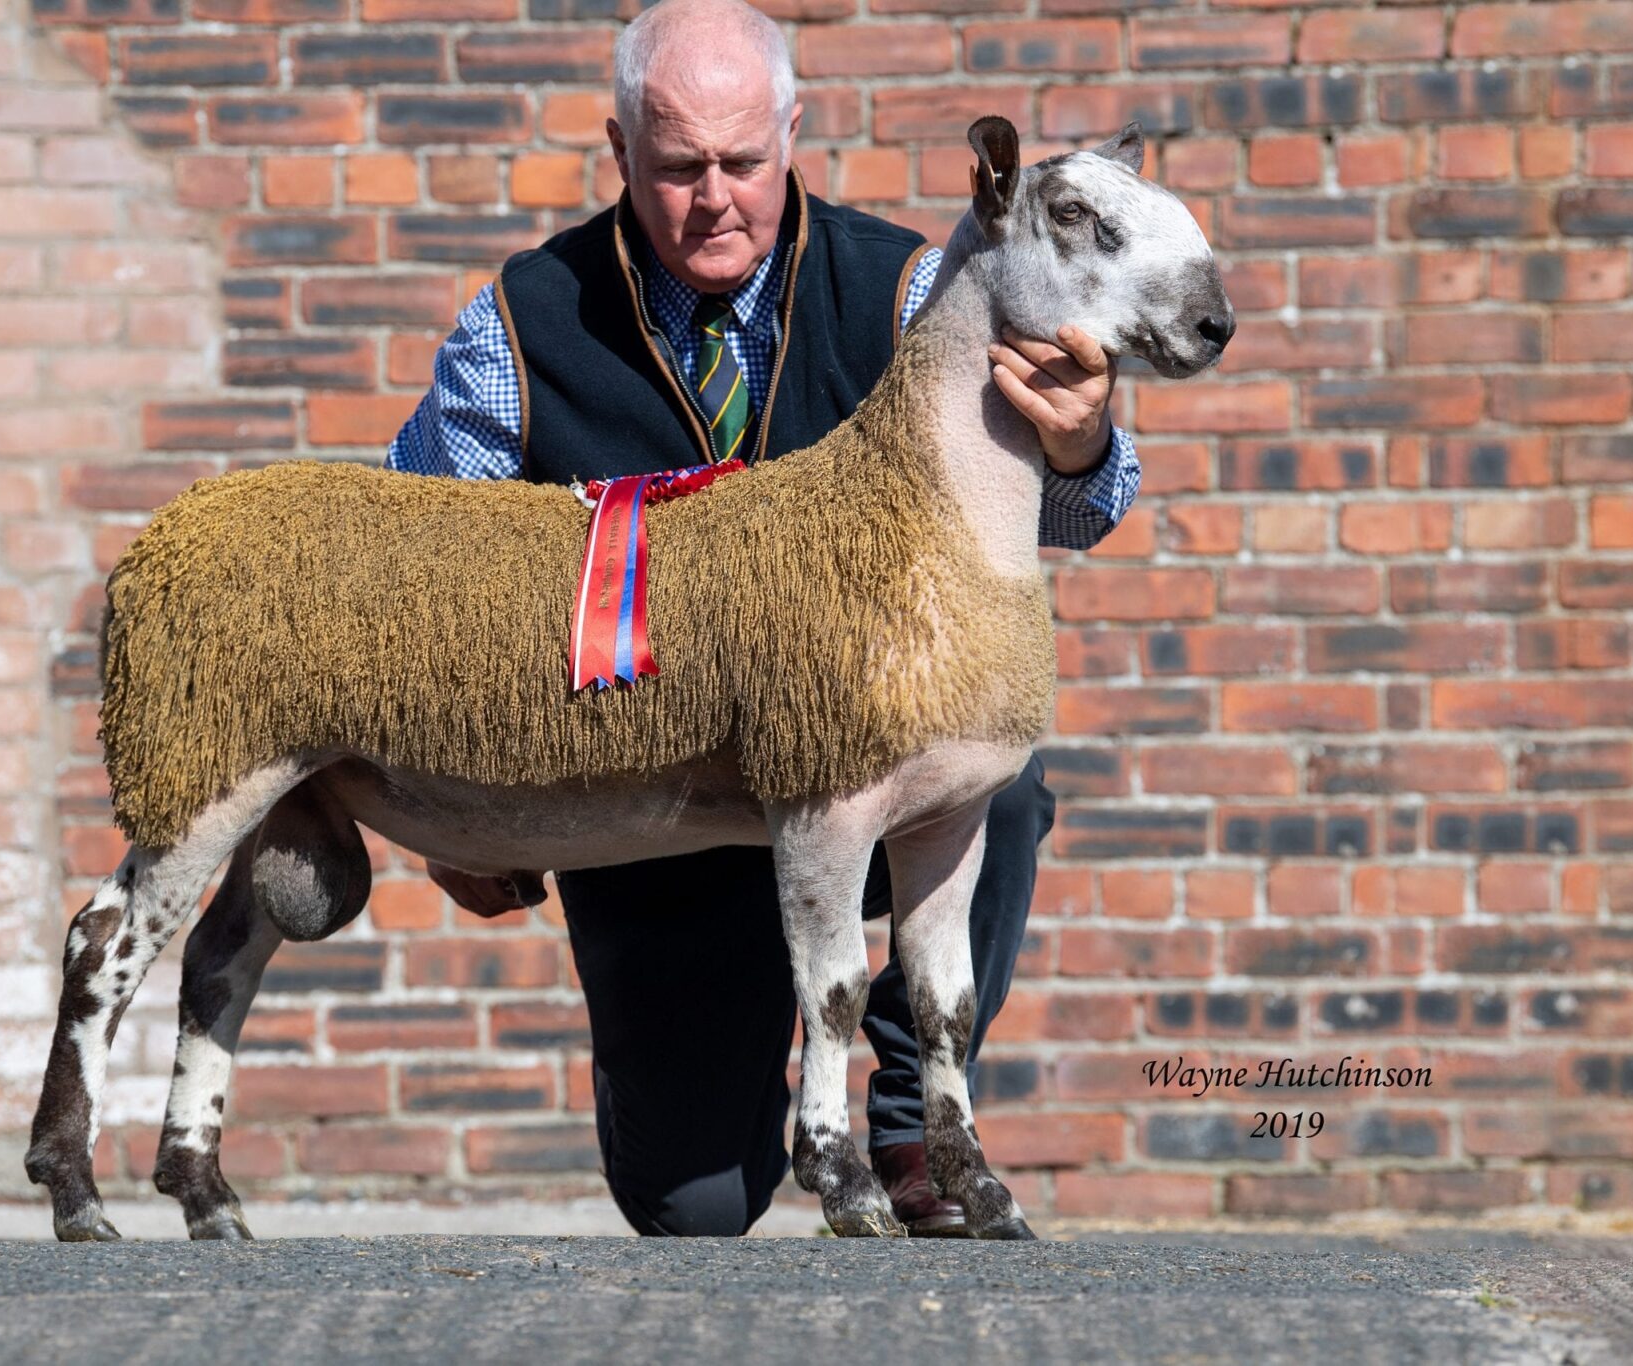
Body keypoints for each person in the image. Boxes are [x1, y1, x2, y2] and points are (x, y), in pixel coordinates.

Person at [386, 0, 1141, 1237]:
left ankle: (906, 1119)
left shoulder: (910, 290)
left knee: (1000, 782)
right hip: (655, 807)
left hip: (870, 773)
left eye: (743, 160)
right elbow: (424, 566)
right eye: (678, 166)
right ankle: (710, 1101)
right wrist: (444, 787)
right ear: (618, 148)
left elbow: (1076, 515)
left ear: (792, 133)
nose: (714, 198)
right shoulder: (518, 325)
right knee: (690, 1206)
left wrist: (1081, 440)